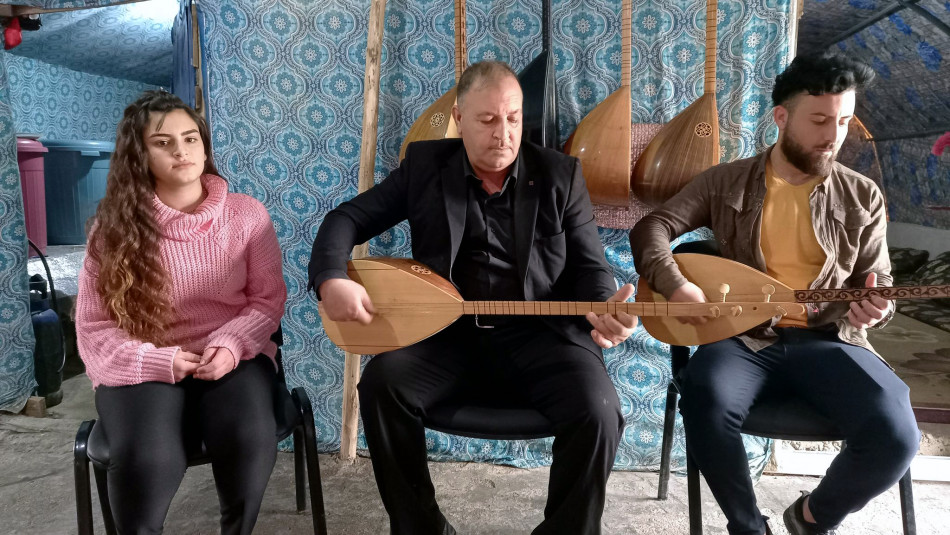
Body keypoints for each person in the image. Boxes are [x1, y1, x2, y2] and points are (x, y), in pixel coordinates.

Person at [310, 60, 637, 534]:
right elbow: (347, 218)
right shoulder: (425, 167)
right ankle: (423, 529)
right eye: (487, 120)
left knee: (600, 412)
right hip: (446, 336)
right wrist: (330, 278)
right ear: (460, 119)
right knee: (382, 387)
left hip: (540, 336)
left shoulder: (559, 174)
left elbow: (590, 267)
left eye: (513, 118)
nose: (503, 133)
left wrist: (606, 307)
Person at [630, 52, 920, 535]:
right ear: (782, 117)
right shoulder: (726, 180)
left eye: (844, 121)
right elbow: (653, 226)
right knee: (705, 397)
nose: (833, 135)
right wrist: (676, 284)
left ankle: (811, 517)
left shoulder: (862, 194)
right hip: (742, 336)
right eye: (820, 120)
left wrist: (875, 308)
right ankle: (748, 527)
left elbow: (877, 279)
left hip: (828, 338)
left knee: (897, 434)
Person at [76, 90, 287, 535]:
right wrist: (156, 360)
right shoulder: (111, 229)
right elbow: (94, 327)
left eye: (191, 138)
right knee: (149, 458)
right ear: (139, 154)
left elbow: (266, 300)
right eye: (163, 142)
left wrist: (231, 345)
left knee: (249, 436)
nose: (181, 151)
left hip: (229, 357)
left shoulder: (247, 216)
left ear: (205, 145)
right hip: (144, 362)